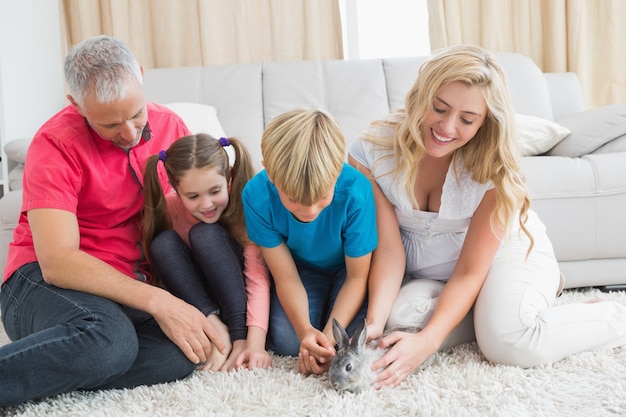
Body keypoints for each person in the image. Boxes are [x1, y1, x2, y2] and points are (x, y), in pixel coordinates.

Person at [348, 45, 626, 388]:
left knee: (508, 343)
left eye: (467, 120)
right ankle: (500, 311)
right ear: (421, 95)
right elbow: (389, 251)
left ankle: (612, 315)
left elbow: (469, 271)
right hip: (439, 275)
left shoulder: (492, 167)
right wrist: (373, 324)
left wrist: (430, 341)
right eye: (439, 107)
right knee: (397, 323)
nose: (446, 127)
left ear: (484, 122)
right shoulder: (371, 152)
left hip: (501, 258)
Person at [0, 35, 227, 407]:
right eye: (109, 125)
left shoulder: (172, 127)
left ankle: (71, 363)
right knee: (110, 339)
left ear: (140, 75)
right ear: (76, 105)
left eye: (137, 114)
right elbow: (58, 262)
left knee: (183, 351)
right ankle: (91, 352)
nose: (131, 133)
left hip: (123, 290)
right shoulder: (54, 144)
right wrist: (159, 302)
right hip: (39, 281)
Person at [242, 109, 377, 375]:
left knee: (349, 339)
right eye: (293, 199)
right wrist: (305, 332)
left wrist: (326, 342)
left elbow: (357, 278)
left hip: (348, 272)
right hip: (300, 269)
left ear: (337, 171)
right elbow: (286, 277)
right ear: (269, 173)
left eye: (322, 198)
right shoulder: (256, 196)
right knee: (288, 341)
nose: (310, 210)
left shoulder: (357, 191)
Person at [142, 133, 272, 372]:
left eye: (215, 191)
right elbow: (171, 272)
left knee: (205, 234)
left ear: (229, 177)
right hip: (203, 302)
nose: (206, 204)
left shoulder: (245, 208)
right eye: (193, 196)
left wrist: (252, 342)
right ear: (176, 190)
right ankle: (216, 328)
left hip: (241, 302)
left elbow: (258, 279)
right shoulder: (169, 208)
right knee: (161, 243)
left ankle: (236, 334)